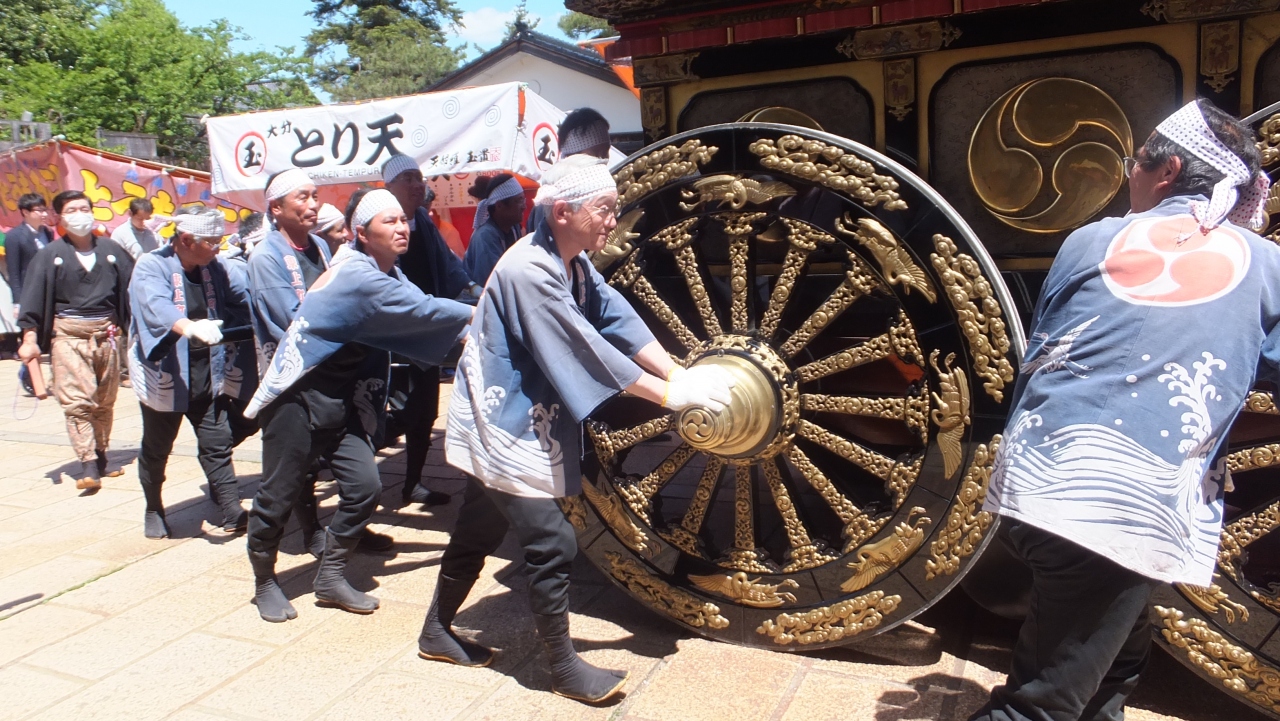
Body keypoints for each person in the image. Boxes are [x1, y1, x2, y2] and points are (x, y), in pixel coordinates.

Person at [972, 99, 1280, 721]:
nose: (1129, 174)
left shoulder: (1089, 239)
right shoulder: (1267, 266)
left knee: (1118, 662)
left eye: (1135, 162)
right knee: (1038, 707)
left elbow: (1045, 348)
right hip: (1125, 504)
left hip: (1032, 481)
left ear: (1167, 171)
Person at [421, 155, 734, 703]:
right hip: (500, 418)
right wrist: (667, 395)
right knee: (551, 541)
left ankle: (435, 631)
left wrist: (675, 371)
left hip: (521, 412)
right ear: (563, 211)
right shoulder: (528, 270)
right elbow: (581, 348)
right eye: (604, 209)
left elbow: (614, 315)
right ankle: (562, 669)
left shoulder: (570, 260)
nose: (613, 219)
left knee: (479, 527)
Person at [242, 188, 472, 623]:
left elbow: (425, 316)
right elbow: (427, 310)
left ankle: (329, 577)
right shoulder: (356, 274)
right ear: (362, 234)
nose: (402, 228)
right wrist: (484, 314)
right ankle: (264, 582)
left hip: (343, 399)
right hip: (298, 397)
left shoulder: (390, 272)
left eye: (403, 220)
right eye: (390, 221)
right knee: (277, 495)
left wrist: (472, 331)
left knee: (365, 488)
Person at [247, 169, 392, 556]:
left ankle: (340, 543)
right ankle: (269, 570)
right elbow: (293, 321)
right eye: (303, 197)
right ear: (276, 208)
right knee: (283, 485)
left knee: (362, 481)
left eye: (315, 196)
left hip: (333, 384)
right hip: (294, 389)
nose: (313, 204)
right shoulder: (265, 258)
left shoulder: (322, 249)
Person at [127, 209, 255, 538]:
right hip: (167, 371)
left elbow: (243, 296)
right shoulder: (152, 265)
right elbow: (155, 305)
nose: (218, 247)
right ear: (186, 240)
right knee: (158, 446)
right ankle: (153, 507)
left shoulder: (216, 266)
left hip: (206, 369)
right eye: (212, 241)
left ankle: (231, 508)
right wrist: (187, 326)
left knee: (217, 440)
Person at [381, 154, 480, 506]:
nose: (416, 184)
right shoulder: (382, 224)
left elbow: (447, 263)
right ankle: (342, 456)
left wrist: (472, 287)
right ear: (389, 186)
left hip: (428, 329)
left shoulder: (422, 220)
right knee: (400, 414)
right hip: (395, 334)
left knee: (425, 414)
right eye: (407, 178)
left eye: (418, 177)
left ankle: (412, 484)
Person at [18, 190, 134, 490]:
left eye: (84, 208)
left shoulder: (112, 250)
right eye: (72, 210)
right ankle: (88, 463)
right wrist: (30, 337)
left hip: (107, 335)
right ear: (60, 217)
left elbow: (133, 290)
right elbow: (33, 298)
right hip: (69, 335)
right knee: (77, 401)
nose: (80, 215)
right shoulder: (49, 255)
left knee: (105, 400)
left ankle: (102, 454)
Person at [527, 108, 612, 232]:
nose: (603, 159)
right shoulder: (551, 199)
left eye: (605, 152)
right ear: (572, 156)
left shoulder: (607, 190)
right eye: (596, 154)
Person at [8, 193, 54, 393]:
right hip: (28, 292)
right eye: (38, 210)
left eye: (45, 210)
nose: (43, 214)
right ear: (25, 212)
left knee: (47, 337)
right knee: (30, 336)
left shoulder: (47, 233)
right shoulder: (14, 236)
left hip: (48, 291)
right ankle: (30, 377)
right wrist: (17, 302)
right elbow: (14, 272)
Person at [462, 173, 525, 286]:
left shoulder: (513, 228)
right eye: (518, 201)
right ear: (499, 205)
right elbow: (491, 283)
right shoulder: (485, 236)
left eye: (523, 199)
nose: (524, 206)